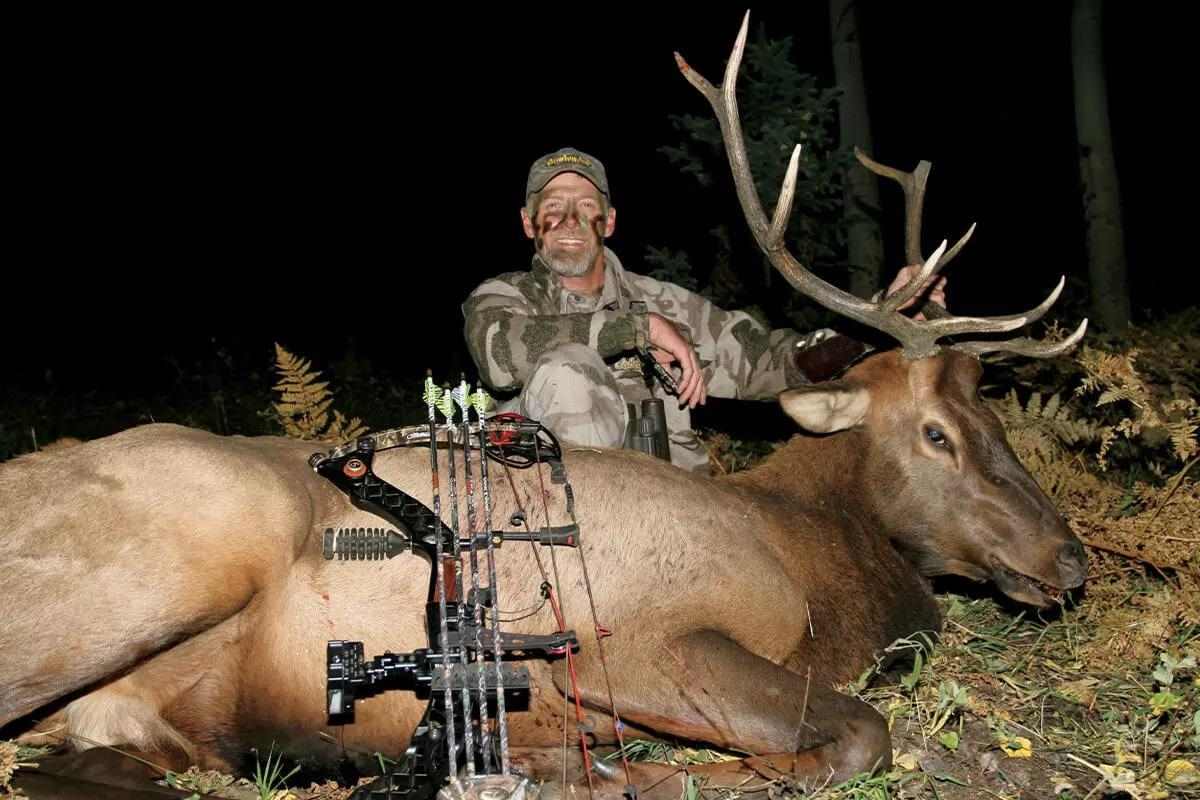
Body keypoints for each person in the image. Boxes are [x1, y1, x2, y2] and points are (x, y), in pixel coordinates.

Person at [462, 147, 945, 472]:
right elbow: (499, 355)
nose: (569, 218)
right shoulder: (503, 297)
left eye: (585, 204)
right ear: (529, 224)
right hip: (557, 521)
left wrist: (878, 321)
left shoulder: (669, 303)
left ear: (608, 221)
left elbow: (770, 363)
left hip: (677, 517)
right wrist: (638, 328)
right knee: (568, 369)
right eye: (553, 205)